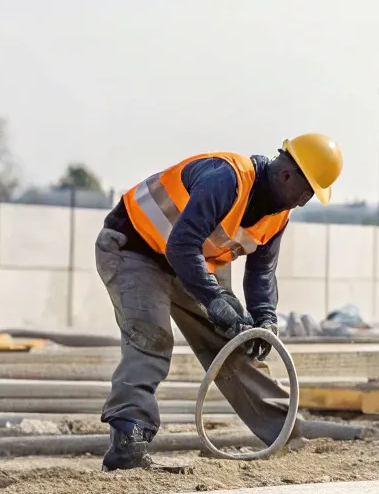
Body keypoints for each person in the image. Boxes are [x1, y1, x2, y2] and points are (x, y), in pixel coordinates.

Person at [94, 134, 343, 471]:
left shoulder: (277, 216)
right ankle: (128, 439)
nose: (303, 202)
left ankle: (284, 433)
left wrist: (264, 318)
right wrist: (214, 299)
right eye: (307, 192)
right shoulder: (227, 179)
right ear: (287, 175)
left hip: (191, 263)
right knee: (151, 337)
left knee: (236, 340)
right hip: (133, 248)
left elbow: (262, 271)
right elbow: (182, 244)